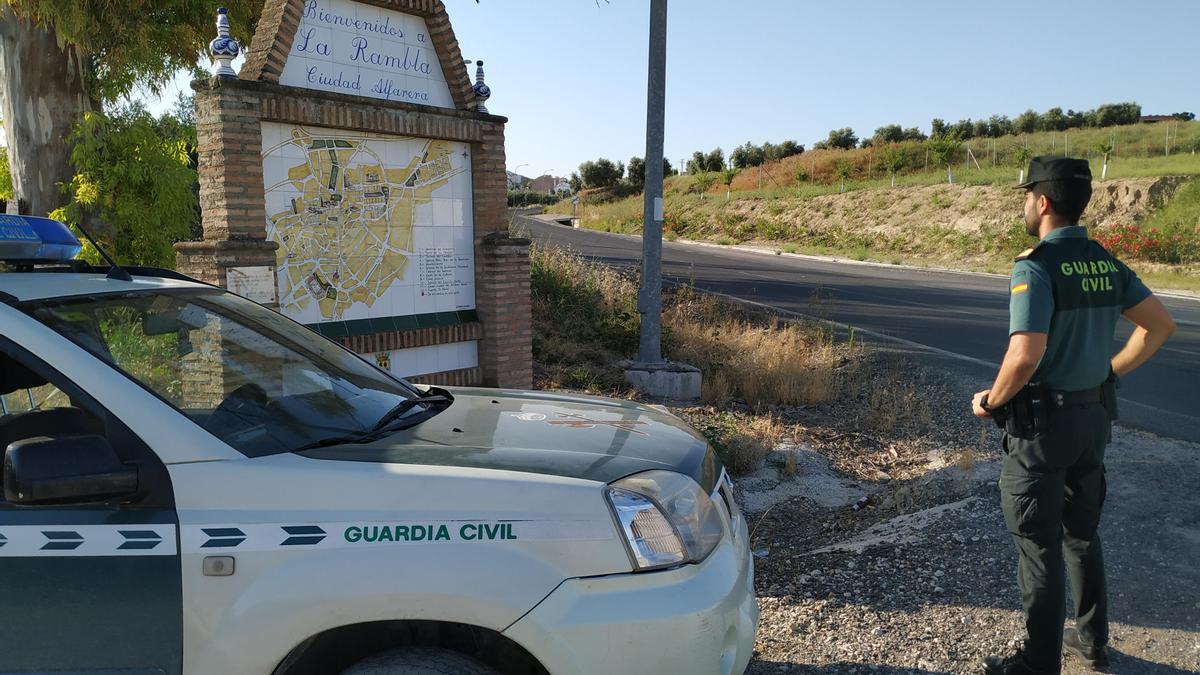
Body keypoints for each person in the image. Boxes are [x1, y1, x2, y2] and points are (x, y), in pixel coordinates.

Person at [971, 156, 1176, 674]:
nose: (1024, 204)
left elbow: (1025, 354)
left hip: (1043, 431)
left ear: (1041, 202)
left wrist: (992, 401)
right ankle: (1093, 643)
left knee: (1037, 546)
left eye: (1026, 196)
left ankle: (1038, 664)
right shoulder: (1105, 262)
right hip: (1093, 424)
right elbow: (1159, 326)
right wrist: (1107, 370)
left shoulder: (1035, 265)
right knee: (1082, 536)